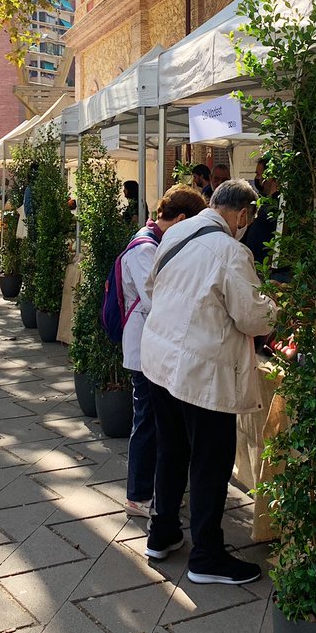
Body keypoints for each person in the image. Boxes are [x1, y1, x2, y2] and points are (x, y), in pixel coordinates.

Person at [141, 179, 275, 585]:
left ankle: (161, 534)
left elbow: (152, 286)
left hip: (160, 359)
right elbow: (253, 317)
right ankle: (206, 556)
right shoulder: (232, 252)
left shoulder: (177, 231)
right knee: (210, 462)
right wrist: (274, 306)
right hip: (202, 370)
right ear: (243, 215)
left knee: (172, 450)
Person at [120, 185, 208, 519]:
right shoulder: (145, 248)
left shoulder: (156, 242)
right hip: (145, 346)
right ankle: (139, 495)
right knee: (147, 421)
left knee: (159, 422)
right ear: (181, 219)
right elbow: (156, 298)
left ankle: (158, 491)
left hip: (156, 344)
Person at [243, 156, 280, 267]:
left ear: (270, 176)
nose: (257, 178)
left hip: (268, 268)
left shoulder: (276, 204)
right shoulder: (265, 201)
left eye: (259, 174)